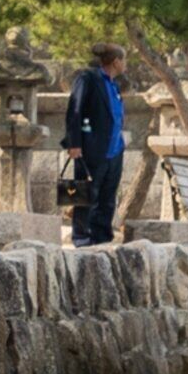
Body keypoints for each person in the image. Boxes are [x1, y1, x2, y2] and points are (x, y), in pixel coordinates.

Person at [61, 43, 128, 248]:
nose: (125, 65)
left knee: (107, 197)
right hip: (91, 148)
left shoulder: (114, 85)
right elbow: (75, 109)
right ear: (116, 62)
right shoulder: (88, 79)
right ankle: (82, 238)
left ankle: (102, 237)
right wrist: (74, 143)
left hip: (114, 150)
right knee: (85, 194)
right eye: (124, 60)